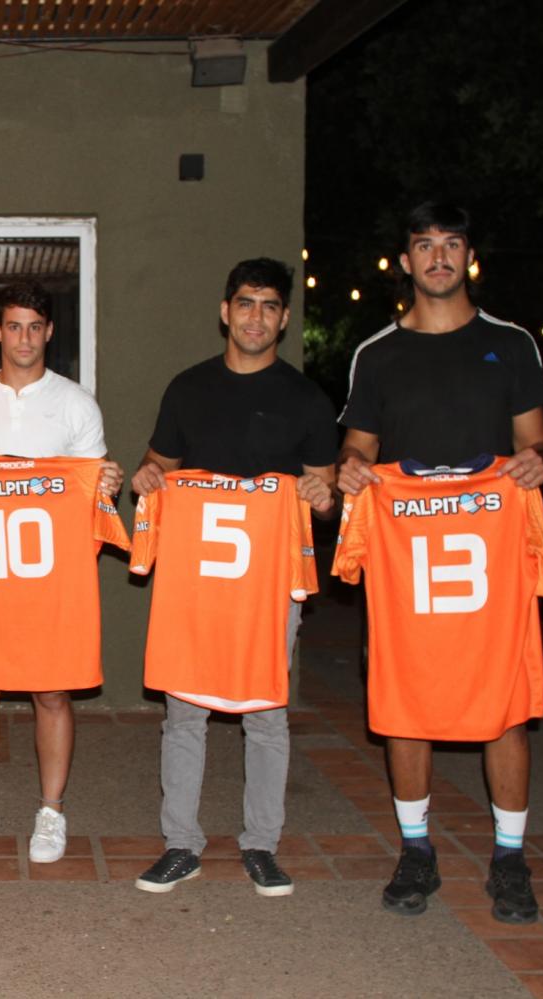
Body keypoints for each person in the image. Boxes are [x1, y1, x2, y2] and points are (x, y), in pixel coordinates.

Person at [337, 201, 543, 924]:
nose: (438, 256)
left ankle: (510, 856)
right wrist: (351, 468)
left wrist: (539, 461)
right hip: (408, 555)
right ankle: (416, 849)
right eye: (424, 245)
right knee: (406, 701)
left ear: (468, 256)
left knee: (505, 705)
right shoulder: (377, 353)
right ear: (404, 262)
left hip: (491, 550)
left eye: (451, 244)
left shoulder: (511, 343)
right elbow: (361, 446)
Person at [129, 258, 337, 897]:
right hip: (197, 578)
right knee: (183, 713)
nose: (256, 317)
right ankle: (180, 843)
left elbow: (326, 494)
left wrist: (321, 495)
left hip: (269, 582)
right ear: (225, 311)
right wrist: (146, 478)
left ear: (283, 318)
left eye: (270, 306)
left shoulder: (306, 398)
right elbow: (156, 465)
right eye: (245, 303)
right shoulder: (189, 388)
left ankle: (262, 844)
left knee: (266, 714)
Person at [0, 281, 123, 864]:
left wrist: (106, 486)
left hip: (51, 574)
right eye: (13, 326)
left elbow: (93, 496)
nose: (24, 337)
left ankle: (51, 810)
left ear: (49, 332)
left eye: (34, 327)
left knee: (52, 692)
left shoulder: (75, 404)